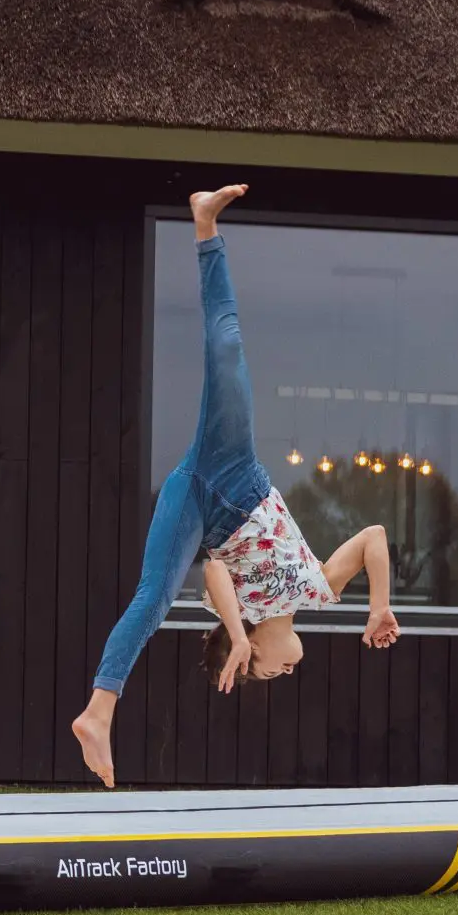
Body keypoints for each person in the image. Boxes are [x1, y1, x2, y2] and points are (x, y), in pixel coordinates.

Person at [71, 185, 401, 788]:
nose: (281, 673)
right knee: (226, 349)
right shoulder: (317, 590)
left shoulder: (244, 611)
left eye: (264, 672)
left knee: (153, 598)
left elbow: (216, 571)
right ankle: (99, 713)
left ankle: (97, 708)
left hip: (200, 494)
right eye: (268, 673)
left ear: (249, 643)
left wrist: (237, 635)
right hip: (235, 473)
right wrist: (378, 606)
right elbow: (375, 538)